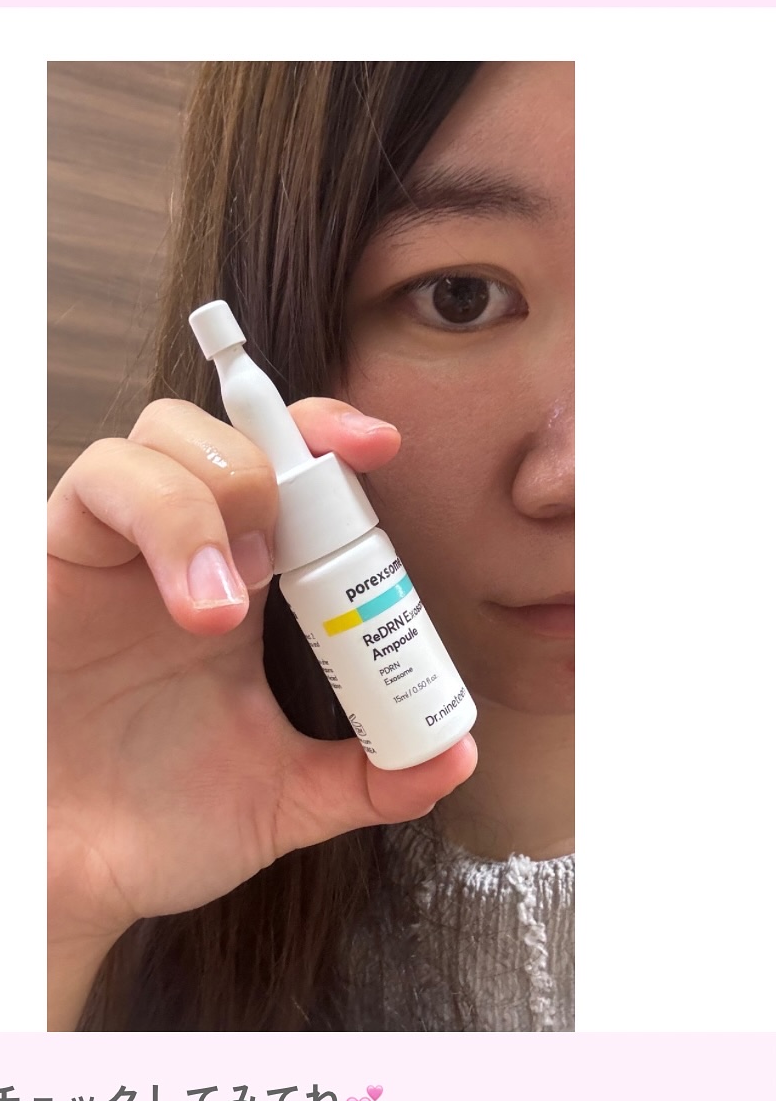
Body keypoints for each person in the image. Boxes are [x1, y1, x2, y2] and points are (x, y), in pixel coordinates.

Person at [47, 61, 574, 1033]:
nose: (574, 476)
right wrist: (52, 906)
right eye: (461, 295)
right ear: (294, 324)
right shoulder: (173, 879)